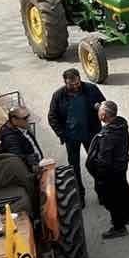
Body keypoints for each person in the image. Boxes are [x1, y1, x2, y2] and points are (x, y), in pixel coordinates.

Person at [46, 68, 105, 200]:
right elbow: (52, 117)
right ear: (65, 82)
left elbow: (103, 105)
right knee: (74, 168)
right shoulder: (58, 95)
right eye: (71, 84)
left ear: (79, 79)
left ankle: (102, 193)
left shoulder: (91, 89)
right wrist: (62, 134)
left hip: (91, 134)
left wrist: (98, 108)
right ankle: (80, 195)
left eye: (77, 83)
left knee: (96, 164)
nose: (75, 86)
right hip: (71, 137)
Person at [86, 101, 129, 239]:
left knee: (113, 200)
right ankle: (128, 216)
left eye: (100, 111)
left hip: (111, 172)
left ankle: (119, 227)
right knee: (124, 190)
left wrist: (99, 177)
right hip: (121, 166)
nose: (98, 113)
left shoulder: (107, 136)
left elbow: (104, 161)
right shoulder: (121, 125)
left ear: (104, 115)